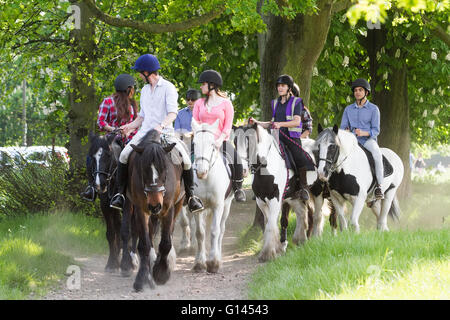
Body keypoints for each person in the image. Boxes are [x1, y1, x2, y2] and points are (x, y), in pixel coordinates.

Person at [110, 54, 204, 213]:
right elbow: (142, 117)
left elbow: (173, 113)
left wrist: (161, 126)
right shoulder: (145, 90)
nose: (139, 75)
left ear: (147, 72)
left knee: (186, 160)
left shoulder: (169, 87)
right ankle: (120, 194)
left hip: (165, 133)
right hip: (145, 133)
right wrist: (129, 127)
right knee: (124, 156)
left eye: (140, 72)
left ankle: (191, 196)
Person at [249, 75, 315, 201]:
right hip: (276, 138)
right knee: (260, 154)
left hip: (292, 138)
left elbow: (296, 122)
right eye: (278, 86)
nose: (280, 88)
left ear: (289, 88)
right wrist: (257, 122)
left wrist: (281, 124)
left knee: (299, 156)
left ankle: (303, 187)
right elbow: (272, 123)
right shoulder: (275, 103)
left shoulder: (297, 102)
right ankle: (259, 186)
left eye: (283, 86)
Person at [80, 73, 138, 201]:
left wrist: (129, 132)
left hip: (130, 138)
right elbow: (100, 121)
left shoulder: (133, 104)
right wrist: (114, 129)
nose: (133, 90)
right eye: (132, 88)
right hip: (112, 138)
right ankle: (91, 187)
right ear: (128, 88)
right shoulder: (108, 101)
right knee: (91, 154)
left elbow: (137, 123)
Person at [192, 69, 246, 202]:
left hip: (219, 140)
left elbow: (227, 126)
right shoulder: (199, 103)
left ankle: (238, 188)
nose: (201, 86)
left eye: (203, 83)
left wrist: (220, 140)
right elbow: (194, 122)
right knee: (184, 160)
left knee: (236, 160)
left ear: (212, 85)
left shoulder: (226, 103)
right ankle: (186, 190)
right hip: (202, 140)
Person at [340, 78, 384, 199]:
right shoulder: (348, 109)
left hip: (368, 141)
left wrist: (364, 133)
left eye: (360, 90)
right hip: (352, 142)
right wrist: (346, 131)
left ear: (366, 92)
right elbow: (343, 127)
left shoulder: (374, 109)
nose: (357, 92)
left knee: (377, 154)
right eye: (355, 90)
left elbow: (376, 130)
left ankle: (379, 186)